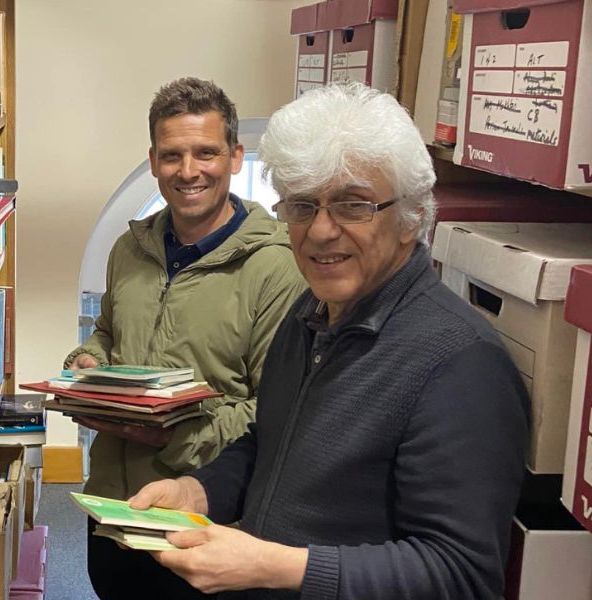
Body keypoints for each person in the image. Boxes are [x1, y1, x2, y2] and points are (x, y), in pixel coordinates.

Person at [130, 83, 530, 599]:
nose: (320, 231)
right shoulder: (311, 312)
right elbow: (269, 443)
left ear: (409, 217)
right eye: (301, 206)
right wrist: (201, 490)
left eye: (353, 205)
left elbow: (461, 575)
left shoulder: (460, 363)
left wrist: (279, 567)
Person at [64, 77, 308, 599]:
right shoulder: (130, 249)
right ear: (153, 161)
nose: (188, 171)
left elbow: (277, 414)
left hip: (206, 518)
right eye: (172, 155)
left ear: (236, 157)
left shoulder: (278, 268)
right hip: (114, 503)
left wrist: (174, 432)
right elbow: (108, 333)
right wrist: (88, 361)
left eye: (206, 153)